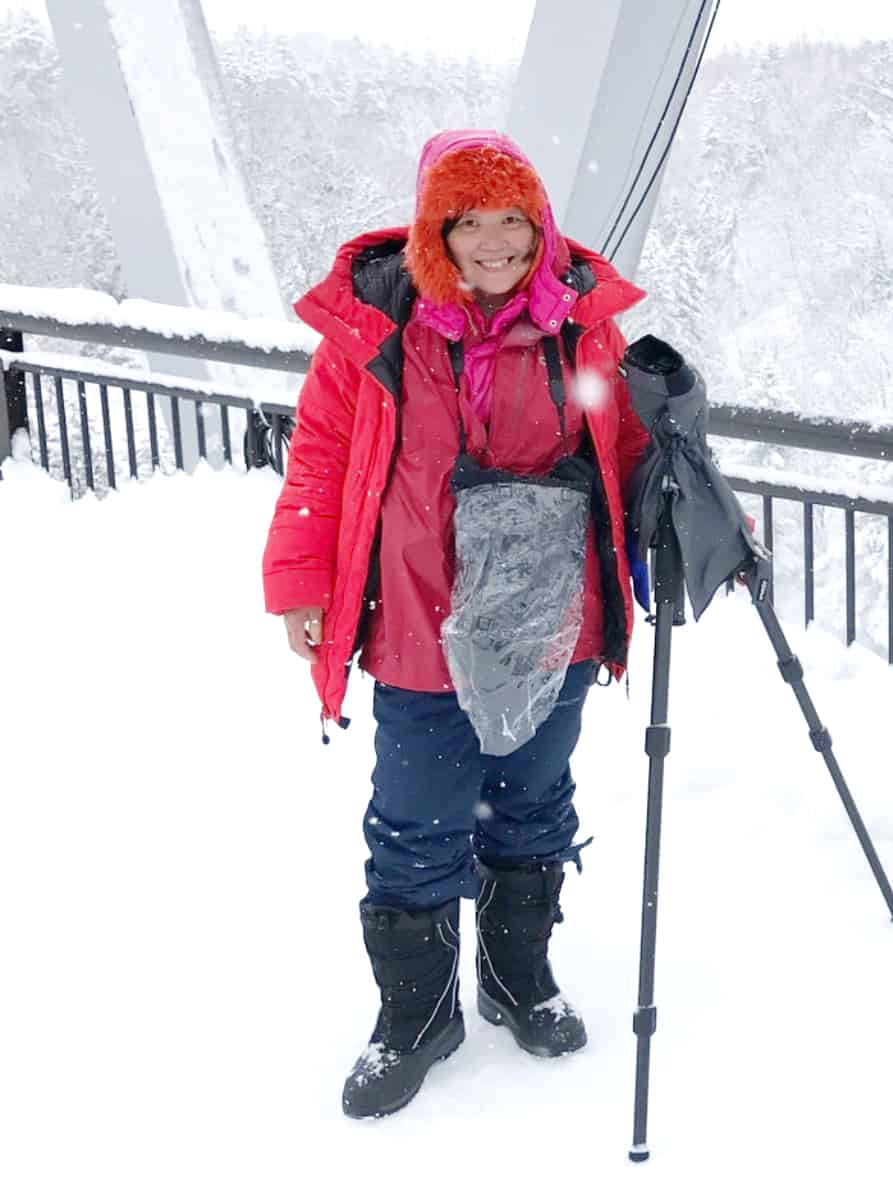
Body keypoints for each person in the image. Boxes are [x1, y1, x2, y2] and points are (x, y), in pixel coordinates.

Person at [261, 129, 650, 1119]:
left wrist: (686, 499)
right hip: (419, 616)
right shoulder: (381, 332)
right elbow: (320, 459)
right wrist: (302, 584)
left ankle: (517, 979)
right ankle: (418, 1015)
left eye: (511, 219)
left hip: (551, 617)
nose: (493, 242)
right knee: (417, 818)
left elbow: (623, 442)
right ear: (436, 228)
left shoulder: (578, 326)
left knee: (530, 803)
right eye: (468, 221)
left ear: (539, 223)